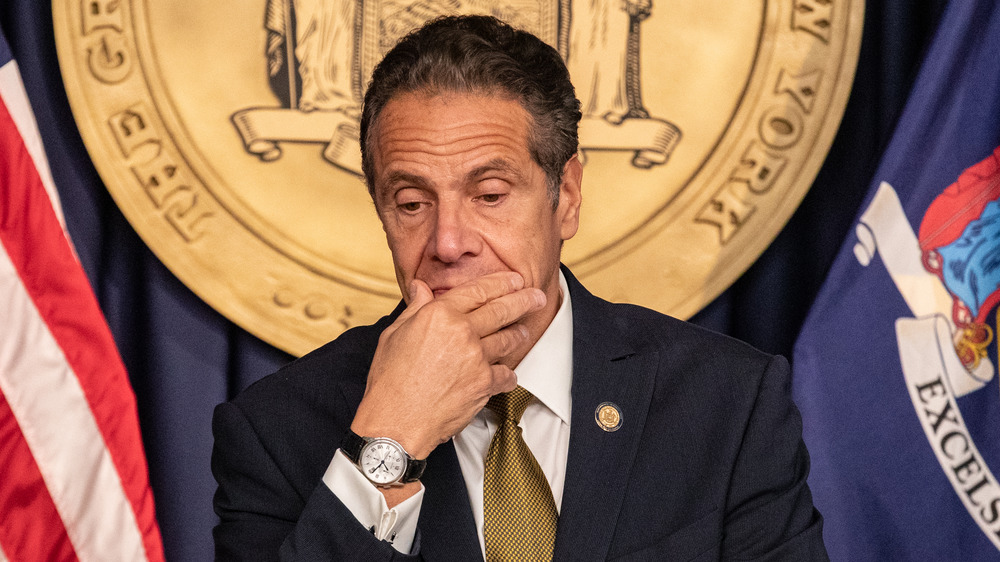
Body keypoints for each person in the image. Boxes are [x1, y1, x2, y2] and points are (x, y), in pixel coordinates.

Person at [211, 15, 828, 561]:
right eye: (411, 202)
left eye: (489, 195)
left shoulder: (728, 405)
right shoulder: (276, 431)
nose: (449, 242)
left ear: (568, 198)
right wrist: (390, 440)